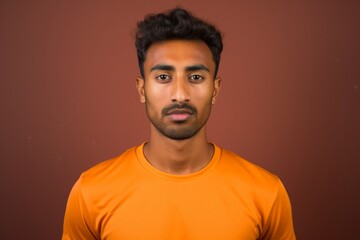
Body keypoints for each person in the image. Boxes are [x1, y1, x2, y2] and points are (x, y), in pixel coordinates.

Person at [62, 7, 296, 240]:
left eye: (195, 77)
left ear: (215, 89)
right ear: (142, 89)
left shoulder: (266, 193)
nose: (180, 95)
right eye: (163, 77)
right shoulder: (91, 193)